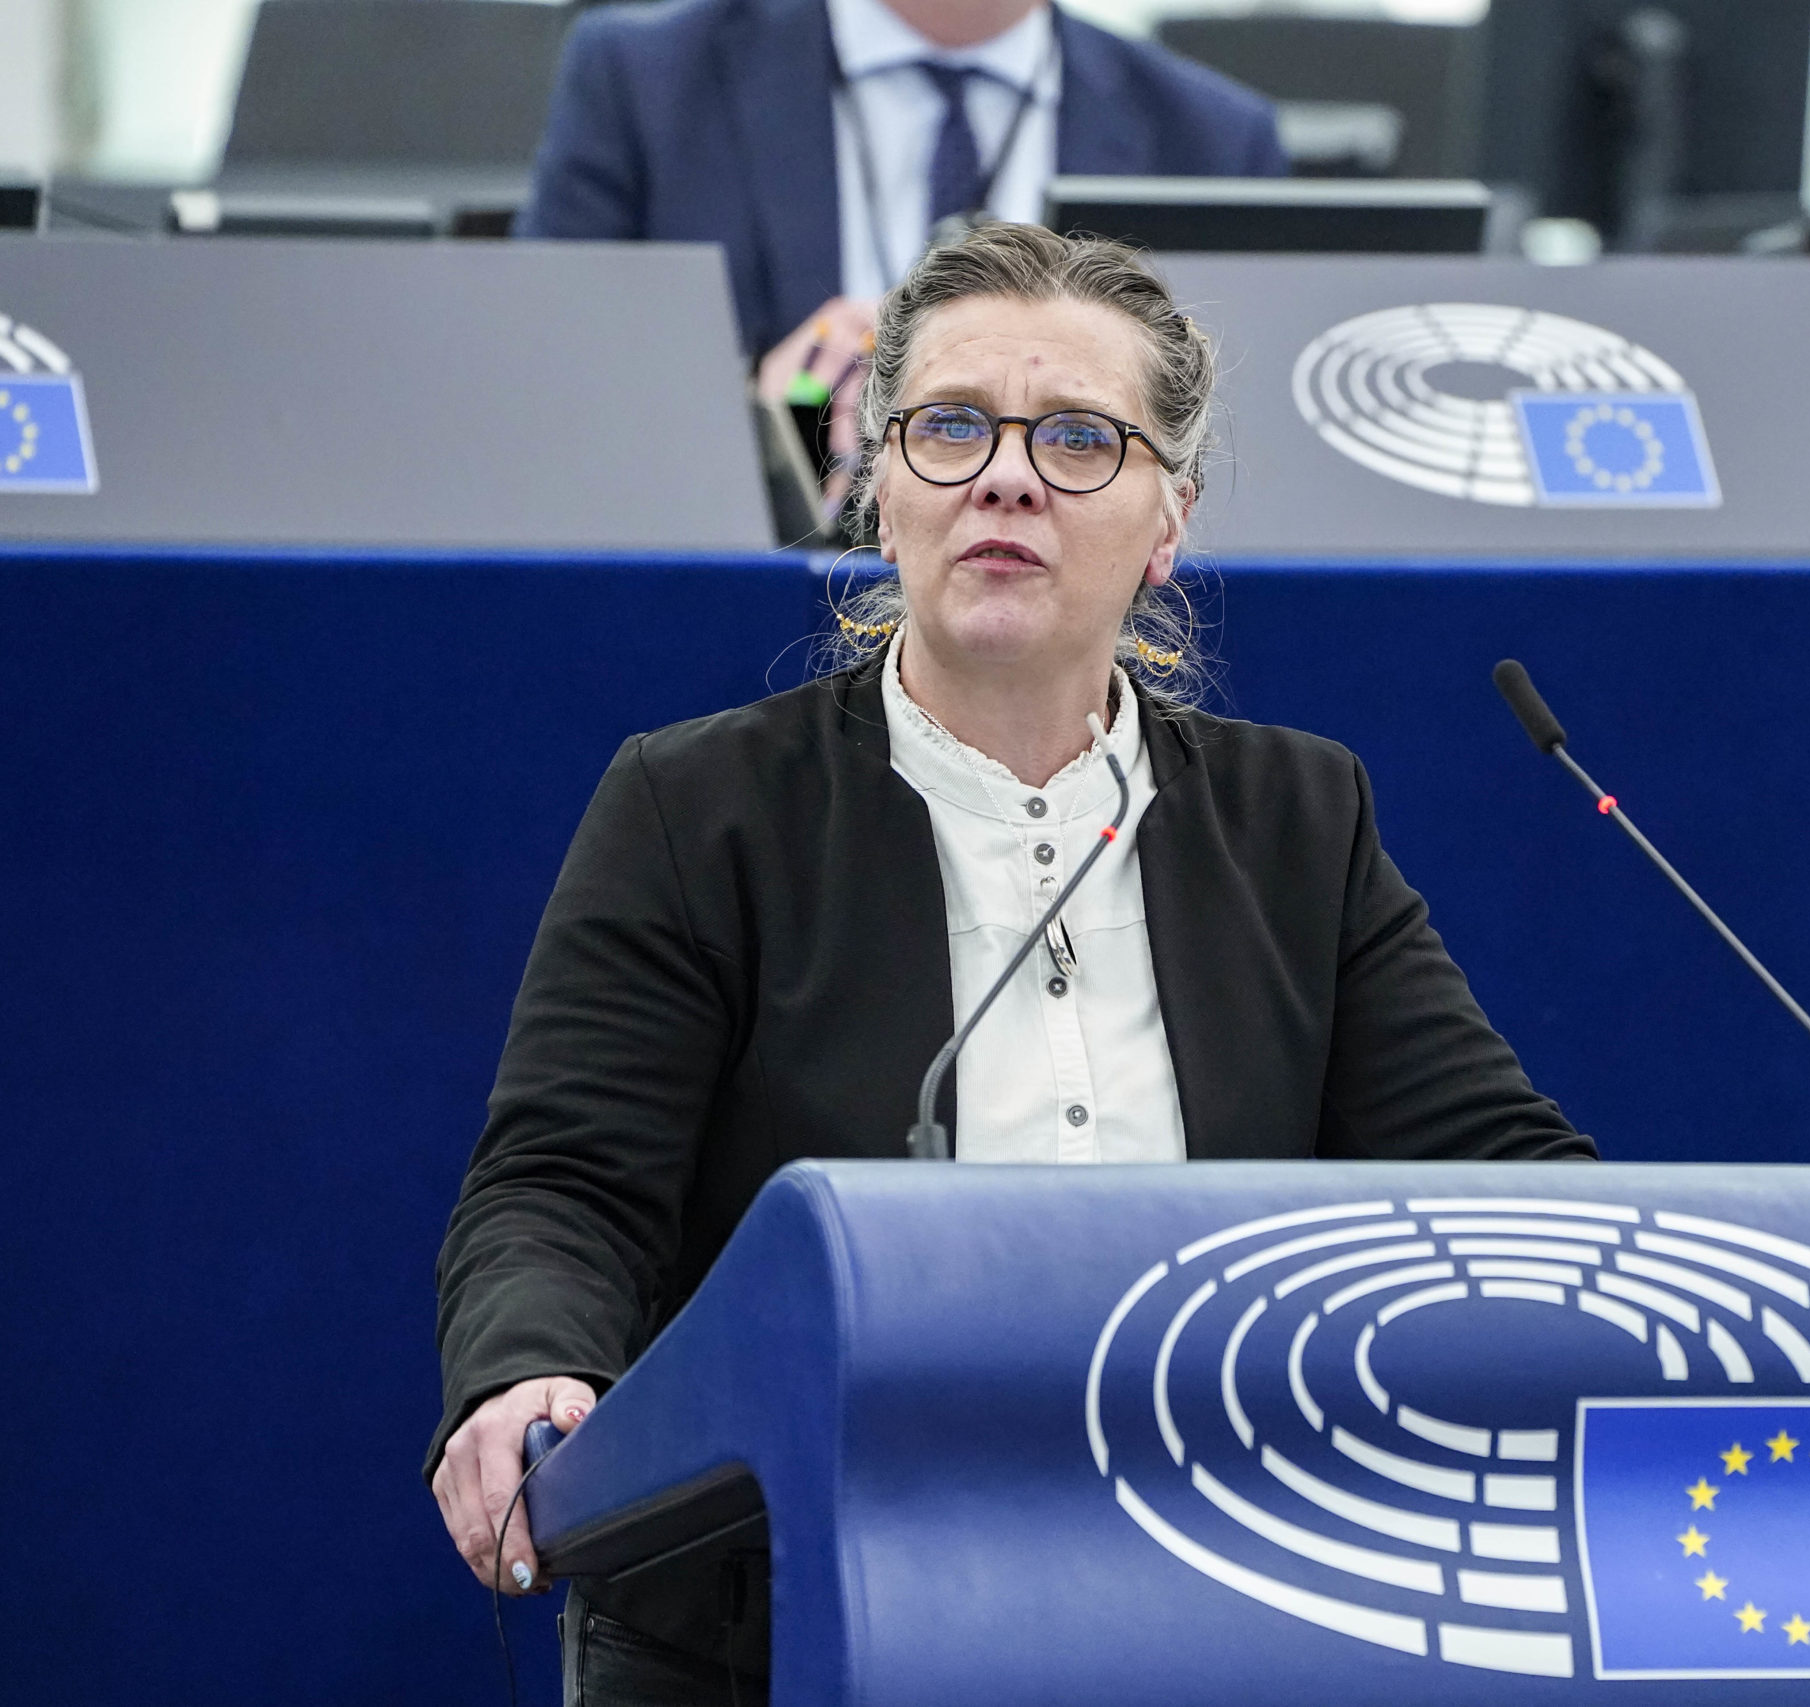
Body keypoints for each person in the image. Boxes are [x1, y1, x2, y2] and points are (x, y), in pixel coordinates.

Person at [428, 222, 1591, 1705]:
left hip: (1217, 1602)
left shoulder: (1295, 819)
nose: (1007, 476)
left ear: (1168, 523)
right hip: (786, 1613)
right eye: (953, 426)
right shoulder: (703, 806)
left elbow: (1500, 1181)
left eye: (1080, 439)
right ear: (882, 489)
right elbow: (563, 1184)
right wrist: (530, 1365)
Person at [516, 0, 1290, 391]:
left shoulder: (1217, 142)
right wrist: (757, 425)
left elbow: (1240, 457)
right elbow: (547, 386)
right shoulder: (641, 84)